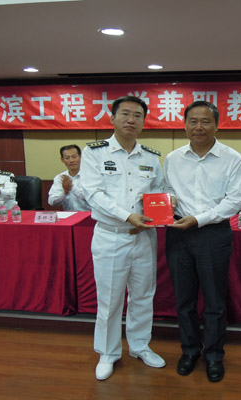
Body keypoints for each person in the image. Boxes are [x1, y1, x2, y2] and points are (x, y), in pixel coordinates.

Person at [80, 96, 166, 381]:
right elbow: (93, 194)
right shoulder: (94, 152)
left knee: (143, 295)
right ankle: (108, 352)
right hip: (111, 236)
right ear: (112, 118)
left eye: (138, 115)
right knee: (110, 299)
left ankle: (140, 346)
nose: (131, 120)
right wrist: (128, 216)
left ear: (144, 121)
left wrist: (167, 205)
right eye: (125, 114)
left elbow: (160, 191)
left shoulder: (150, 157)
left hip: (144, 236)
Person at [164, 101, 241, 383]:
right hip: (178, 233)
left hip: (213, 234)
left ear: (217, 125)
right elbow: (167, 191)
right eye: (193, 121)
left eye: (205, 121)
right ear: (185, 124)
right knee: (184, 299)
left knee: (214, 300)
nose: (198, 127)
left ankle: (213, 355)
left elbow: (234, 201)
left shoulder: (232, 158)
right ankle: (189, 351)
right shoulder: (173, 158)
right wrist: (168, 201)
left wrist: (198, 220)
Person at [48, 144, 91, 211]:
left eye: (74, 157)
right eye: (67, 158)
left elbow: (93, 199)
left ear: (81, 157)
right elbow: (52, 202)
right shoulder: (60, 178)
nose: (71, 160)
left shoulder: (91, 175)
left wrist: (72, 187)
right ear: (62, 160)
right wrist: (64, 193)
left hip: (90, 215)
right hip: (69, 215)